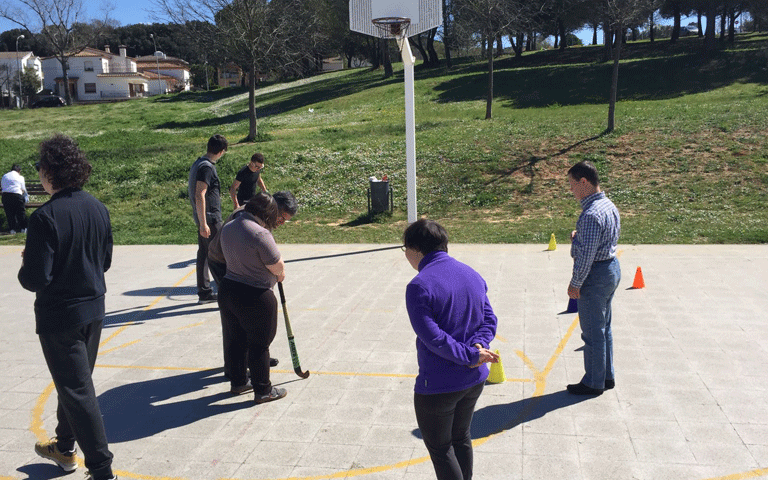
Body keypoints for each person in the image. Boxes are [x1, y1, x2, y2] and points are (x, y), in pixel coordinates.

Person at [18, 135, 117, 480]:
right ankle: (64, 447)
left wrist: (27, 263)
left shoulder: (44, 217)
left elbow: (35, 278)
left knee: (77, 390)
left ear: (48, 173)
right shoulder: (97, 207)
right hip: (94, 309)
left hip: (61, 317)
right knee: (74, 383)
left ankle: (102, 470)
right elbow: (104, 262)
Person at [403, 219, 499, 480]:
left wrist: (469, 356)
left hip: (439, 385)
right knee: (461, 438)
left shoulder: (419, 285)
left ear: (414, 250)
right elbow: (489, 319)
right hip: (475, 378)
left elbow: (432, 337)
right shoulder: (471, 273)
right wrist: (479, 347)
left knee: (441, 449)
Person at [208, 191, 298, 379]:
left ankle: (256, 358)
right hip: (223, 262)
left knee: (252, 320)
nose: (281, 222)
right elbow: (244, 250)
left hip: (236, 264)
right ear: (274, 208)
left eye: (285, 220)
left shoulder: (265, 217)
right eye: (282, 217)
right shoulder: (244, 216)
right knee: (238, 319)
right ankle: (235, 368)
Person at [218, 192, 288, 403]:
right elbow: (278, 267)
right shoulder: (260, 234)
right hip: (255, 294)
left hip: (229, 288)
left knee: (236, 340)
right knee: (259, 344)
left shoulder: (228, 226)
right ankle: (263, 389)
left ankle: (238, 382)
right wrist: (280, 271)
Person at [566, 160, 621, 396]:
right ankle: (606, 376)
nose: (571, 190)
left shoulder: (590, 214)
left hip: (595, 275)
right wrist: (580, 238)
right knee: (604, 328)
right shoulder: (608, 205)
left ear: (584, 182)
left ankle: (593, 382)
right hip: (611, 268)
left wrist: (575, 283)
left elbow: (586, 255)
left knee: (591, 332)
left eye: (572, 184)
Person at [188, 134, 228, 305]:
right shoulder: (207, 168)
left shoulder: (198, 163)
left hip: (205, 218)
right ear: (220, 152)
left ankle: (204, 292)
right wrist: (204, 223)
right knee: (220, 255)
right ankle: (227, 295)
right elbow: (200, 194)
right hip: (210, 219)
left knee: (204, 254)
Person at [1, 164, 28, 234]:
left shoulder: (4, 176)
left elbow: (3, 187)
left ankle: (12, 230)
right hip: (17, 196)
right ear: (19, 171)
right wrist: (26, 197)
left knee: (9, 214)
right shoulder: (20, 177)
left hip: (5, 196)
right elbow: (23, 189)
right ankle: (23, 228)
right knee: (21, 212)